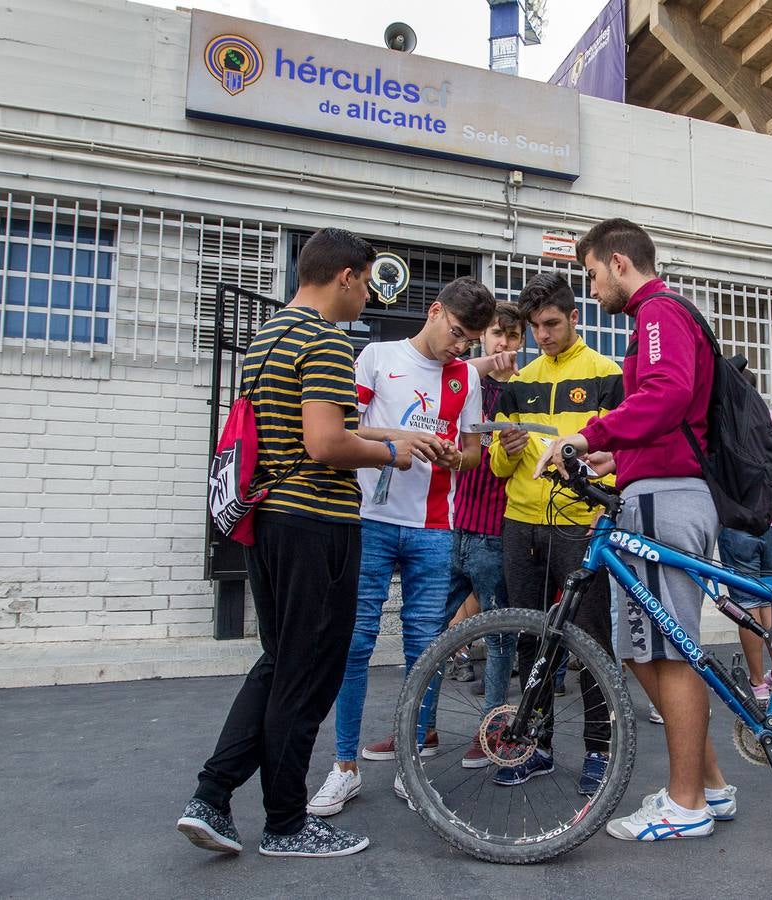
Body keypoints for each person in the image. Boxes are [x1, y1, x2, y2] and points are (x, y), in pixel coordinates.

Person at [178, 227, 435, 859]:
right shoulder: (324, 339)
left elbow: (313, 424)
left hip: (269, 521)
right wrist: (388, 454)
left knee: (279, 661)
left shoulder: (268, 334)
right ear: (346, 276)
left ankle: (212, 796)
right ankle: (286, 824)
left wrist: (384, 436)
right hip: (316, 524)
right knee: (308, 673)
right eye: (369, 283)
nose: (370, 298)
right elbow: (325, 442)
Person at [537, 218, 736, 841]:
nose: (591, 290)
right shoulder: (660, 317)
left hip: (664, 502)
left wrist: (590, 433)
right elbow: (670, 417)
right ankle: (708, 786)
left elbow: (668, 394)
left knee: (668, 652)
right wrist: (618, 457)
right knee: (641, 646)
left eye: (592, 274)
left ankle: (685, 806)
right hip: (656, 488)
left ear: (618, 262)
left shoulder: (657, 312)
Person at [305, 276, 493, 818]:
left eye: (470, 342)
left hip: (435, 528)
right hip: (370, 519)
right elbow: (346, 428)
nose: (460, 348)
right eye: (456, 333)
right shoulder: (376, 356)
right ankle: (344, 767)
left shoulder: (465, 379)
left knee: (425, 649)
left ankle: (413, 767)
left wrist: (453, 456)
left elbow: (473, 457)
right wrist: (400, 440)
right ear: (434, 312)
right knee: (356, 643)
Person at [488, 272, 622, 794]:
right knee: (530, 638)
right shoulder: (518, 382)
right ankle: (537, 745)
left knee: (590, 641)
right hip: (521, 522)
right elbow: (498, 465)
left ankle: (598, 749)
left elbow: (617, 453)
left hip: (578, 524)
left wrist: (598, 509)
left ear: (575, 318)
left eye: (550, 324)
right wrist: (510, 448)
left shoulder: (607, 373)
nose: (541, 335)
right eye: (533, 327)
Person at [443, 301, 529, 767]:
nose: (502, 344)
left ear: (521, 342)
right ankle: (420, 727)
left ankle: (491, 732)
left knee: (499, 641)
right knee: (430, 636)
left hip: (497, 532)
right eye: (495, 334)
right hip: (454, 526)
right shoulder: (463, 383)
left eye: (511, 337)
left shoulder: (522, 393)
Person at [714, 359, 772, 698]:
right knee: (769, 598)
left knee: (747, 603)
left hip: (739, 524)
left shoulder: (727, 423)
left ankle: (755, 681)